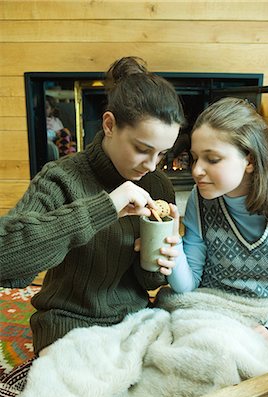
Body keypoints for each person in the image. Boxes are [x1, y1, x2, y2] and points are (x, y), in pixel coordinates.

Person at [0, 56, 185, 357]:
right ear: (110, 125)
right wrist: (105, 207)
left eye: (162, 154)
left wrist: (163, 260)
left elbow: (150, 282)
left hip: (134, 322)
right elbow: (5, 261)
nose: (151, 165)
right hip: (67, 325)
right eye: (142, 149)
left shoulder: (157, 185)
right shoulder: (60, 178)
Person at [158, 97, 268, 345]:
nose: (196, 170)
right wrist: (172, 243)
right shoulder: (200, 201)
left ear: (250, 160)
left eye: (212, 159)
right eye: (194, 158)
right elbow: (186, 287)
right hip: (210, 309)